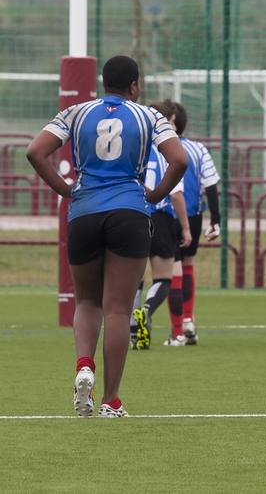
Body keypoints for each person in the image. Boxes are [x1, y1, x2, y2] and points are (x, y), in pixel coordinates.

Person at [26, 55, 187, 418]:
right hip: (129, 211)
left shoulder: (77, 112)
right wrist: (156, 194)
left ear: (103, 82)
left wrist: (65, 189)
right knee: (118, 307)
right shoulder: (150, 116)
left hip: (84, 212)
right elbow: (179, 160)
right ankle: (111, 401)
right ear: (134, 85)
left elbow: (35, 151)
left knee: (86, 302)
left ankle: (85, 365)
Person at [131, 102, 192, 347]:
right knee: (164, 278)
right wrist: (185, 227)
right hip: (160, 216)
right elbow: (176, 193)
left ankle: (134, 332)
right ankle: (145, 310)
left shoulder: (134, 146)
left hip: (133, 214)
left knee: (133, 278)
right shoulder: (167, 150)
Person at [165, 101, 222, 345]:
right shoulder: (199, 149)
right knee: (188, 265)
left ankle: (177, 330)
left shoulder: (158, 149)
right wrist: (216, 220)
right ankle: (188, 320)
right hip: (195, 216)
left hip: (168, 215)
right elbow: (211, 185)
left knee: (173, 272)